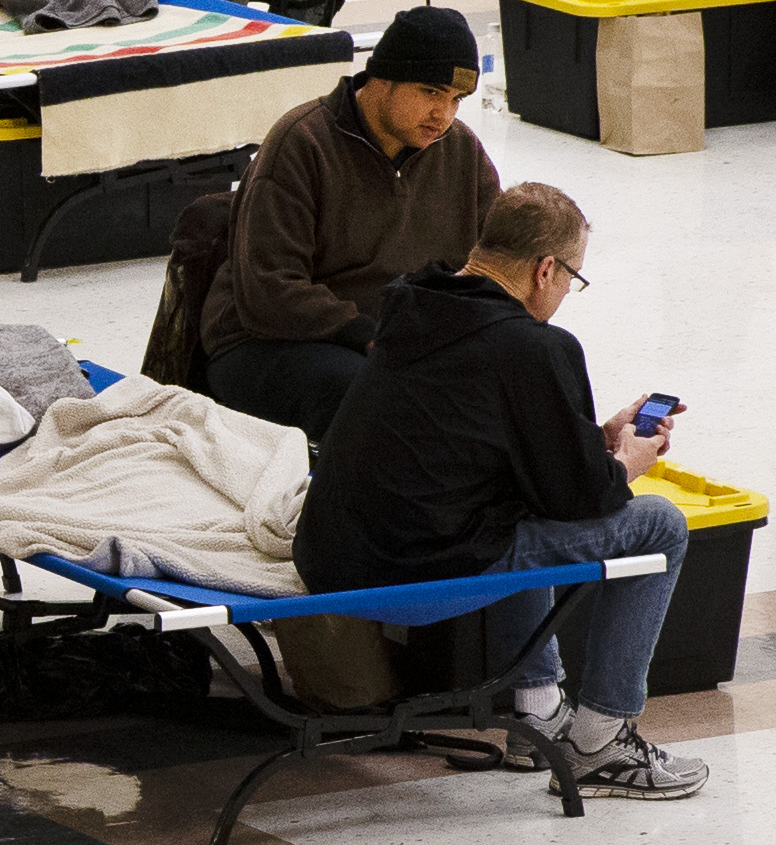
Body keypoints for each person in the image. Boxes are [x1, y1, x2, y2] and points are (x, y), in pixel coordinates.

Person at [285, 185, 706, 801]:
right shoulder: (534, 345)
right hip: (412, 576)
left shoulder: (414, 304)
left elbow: (487, 447)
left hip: (332, 556)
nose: (566, 296)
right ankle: (601, 741)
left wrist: (598, 436)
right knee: (660, 523)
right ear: (545, 270)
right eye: (573, 280)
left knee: (509, 499)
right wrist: (627, 462)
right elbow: (581, 499)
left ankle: (537, 715)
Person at [195, 4, 502, 441]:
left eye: (456, 100)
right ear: (383, 78)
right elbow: (271, 289)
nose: (444, 116)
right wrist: (372, 336)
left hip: (396, 340)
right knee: (381, 396)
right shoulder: (301, 142)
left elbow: (498, 255)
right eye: (431, 92)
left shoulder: (460, 151)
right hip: (268, 341)